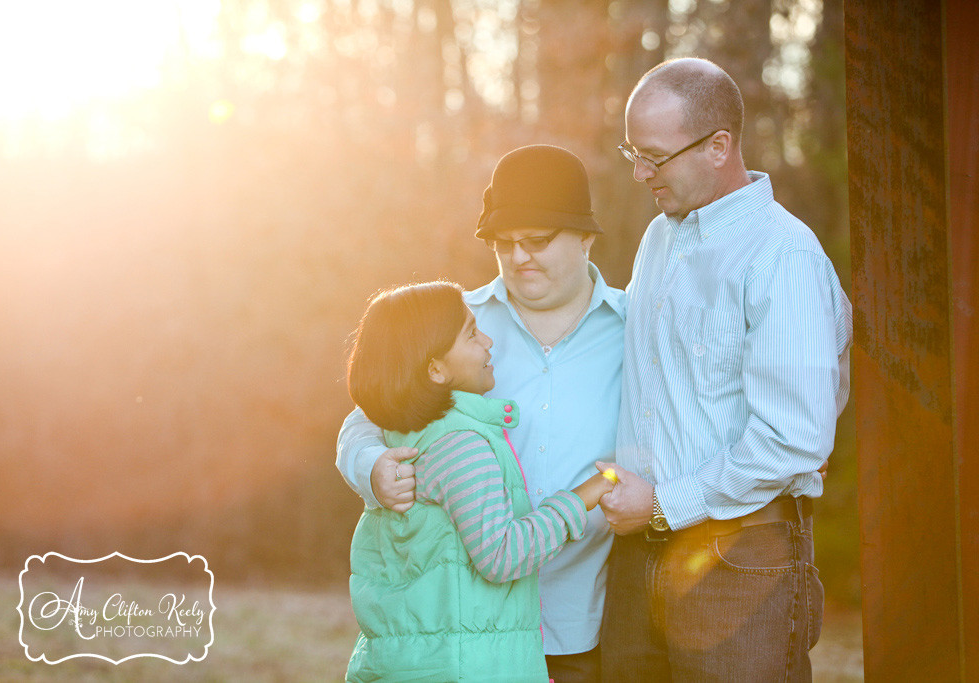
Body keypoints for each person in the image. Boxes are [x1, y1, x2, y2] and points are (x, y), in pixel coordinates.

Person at [596, 57, 853, 682]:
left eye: (654, 156)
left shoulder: (783, 254)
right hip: (640, 554)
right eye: (633, 151)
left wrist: (662, 505)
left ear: (719, 146)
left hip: (743, 561)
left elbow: (792, 440)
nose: (639, 172)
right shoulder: (659, 236)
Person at [337, 145, 625, 682]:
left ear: (586, 237)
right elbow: (367, 416)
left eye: (537, 241)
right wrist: (372, 468)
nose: (519, 258)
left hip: (583, 615)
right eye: (503, 244)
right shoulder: (456, 330)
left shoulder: (634, 330)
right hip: (456, 623)